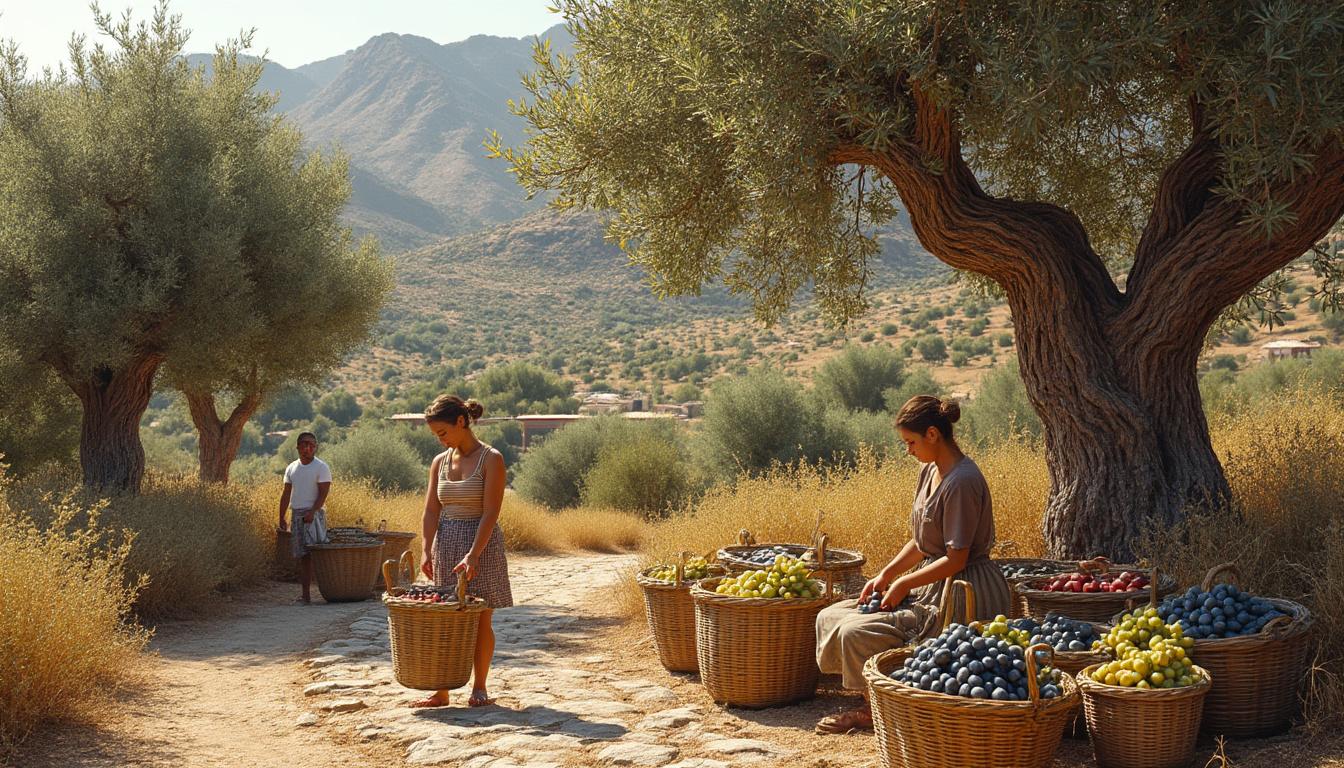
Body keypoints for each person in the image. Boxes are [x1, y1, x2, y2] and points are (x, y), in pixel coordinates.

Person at [813, 395, 1013, 734]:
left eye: (911, 442)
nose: (908, 450)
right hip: (931, 583)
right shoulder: (929, 471)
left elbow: (957, 557)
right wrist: (886, 574)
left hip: (963, 590)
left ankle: (875, 708)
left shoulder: (962, 482)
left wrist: (905, 584)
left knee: (854, 631)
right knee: (830, 615)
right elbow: (922, 542)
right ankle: (874, 694)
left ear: (932, 434)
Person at [414, 394, 512, 708]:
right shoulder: (439, 462)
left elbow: (490, 512)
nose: (440, 440)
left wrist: (473, 554)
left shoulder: (491, 458)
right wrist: (426, 549)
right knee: (446, 619)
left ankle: (479, 688)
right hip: (446, 544)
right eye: (435, 436)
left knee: (481, 618)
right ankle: (442, 690)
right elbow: (431, 510)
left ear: (460, 422)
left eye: (442, 433)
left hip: (481, 545)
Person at [278, 431, 332, 604]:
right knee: (303, 556)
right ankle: (306, 595)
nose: (307, 448)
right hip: (297, 515)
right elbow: (286, 494)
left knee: (319, 555)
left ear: (315, 447)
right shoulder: (291, 468)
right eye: (304, 444)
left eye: (311, 445)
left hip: (314, 515)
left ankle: (331, 591)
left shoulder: (321, 467)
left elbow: (323, 494)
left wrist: (313, 512)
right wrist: (281, 516)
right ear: (298, 447)